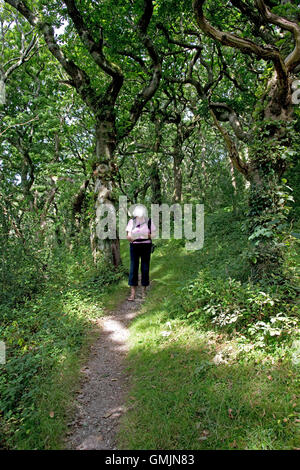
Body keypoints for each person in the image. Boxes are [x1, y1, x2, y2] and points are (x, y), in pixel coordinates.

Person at [126, 206, 156, 301]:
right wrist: (133, 236)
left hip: (146, 246)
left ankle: (144, 292)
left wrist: (145, 235)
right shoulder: (132, 222)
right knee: (133, 268)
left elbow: (154, 235)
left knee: (145, 267)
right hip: (134, 246)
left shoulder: (149, 221)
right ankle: (132, 294)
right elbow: (128, 236)